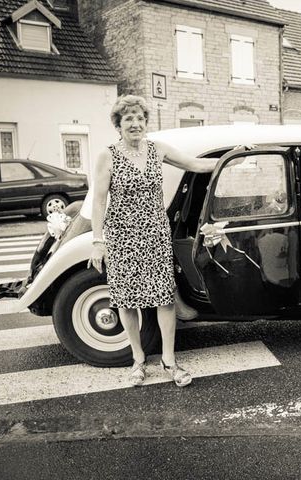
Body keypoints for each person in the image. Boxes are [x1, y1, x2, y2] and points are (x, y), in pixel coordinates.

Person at [89, 94, 216, 387]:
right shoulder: (107, 155)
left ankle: (169, 361)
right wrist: (98, 241)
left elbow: (196, 165)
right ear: (118, 125)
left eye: (140, 118)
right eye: (128, 119)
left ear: (146, 122)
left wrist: (235, 155)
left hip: (155, 235)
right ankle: (138, 359)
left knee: (164, 297)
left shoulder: (157, 149)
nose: (135, 124)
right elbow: (98, 202)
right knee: (125, 300)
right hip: (121, 236)